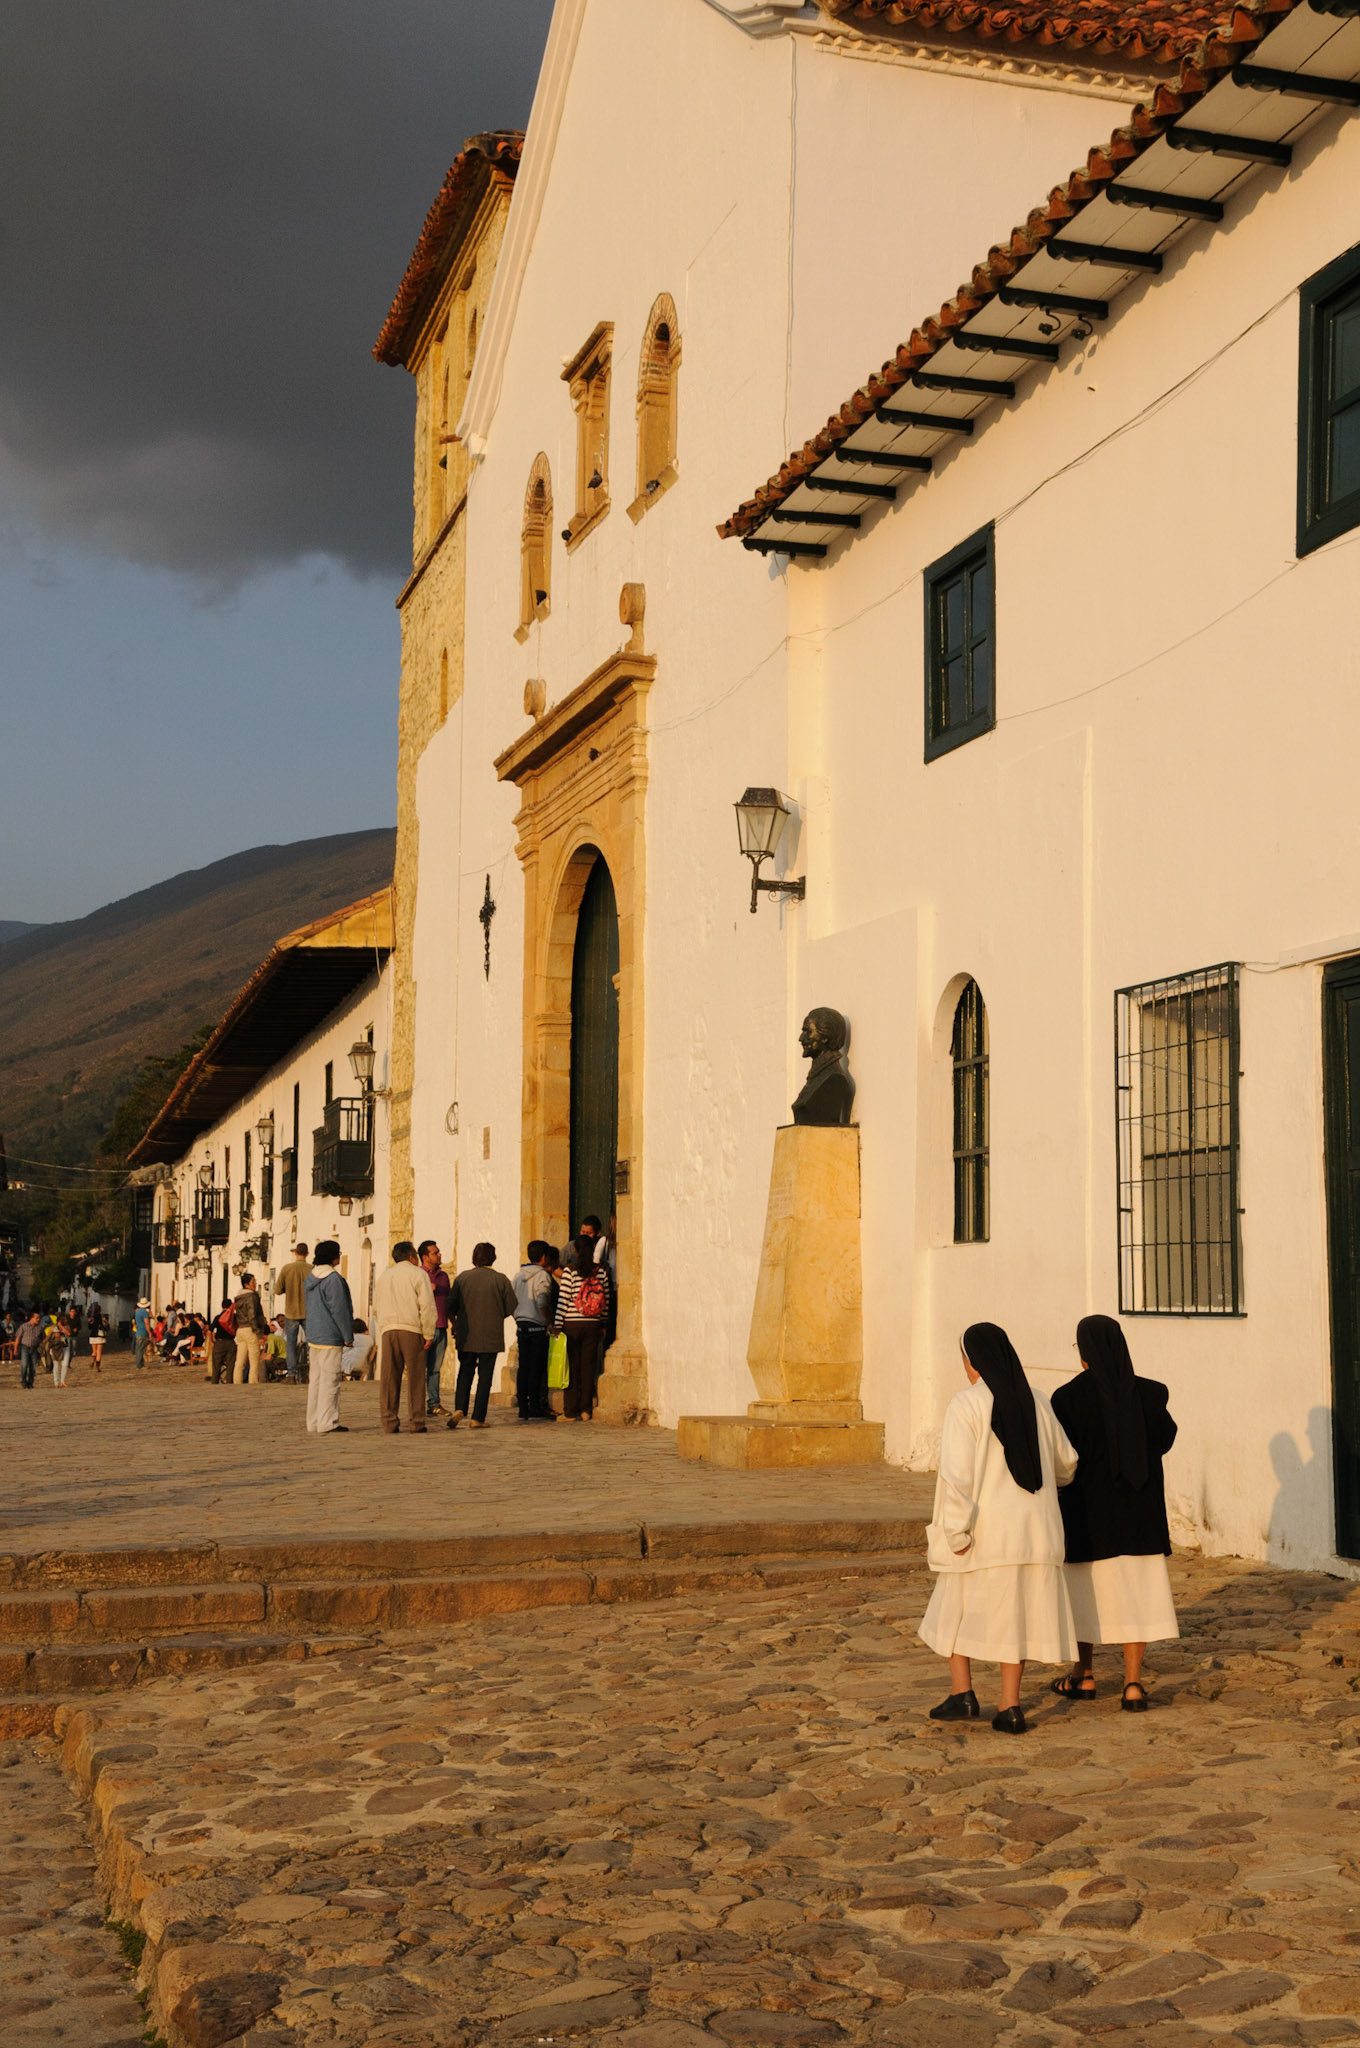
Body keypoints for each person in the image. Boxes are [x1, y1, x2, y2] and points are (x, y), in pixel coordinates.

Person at [920, 1322, 1079, 1735]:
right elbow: (1067, 1464)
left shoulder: (967, 1404)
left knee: (954, 1609)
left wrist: (955, 1532)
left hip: (985, 1533)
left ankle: (963, 1693)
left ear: (973, 1361)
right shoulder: (1039, 1402)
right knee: (1017, 1618)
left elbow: (957, 1477)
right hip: (1035, 1533)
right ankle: (1009, 1705)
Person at [1050, 1315, 1180, 1712]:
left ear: (1084, 1351)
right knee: (1137, 1599)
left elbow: (1063, 1456)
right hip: (1139, 1519)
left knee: (1085, 1596)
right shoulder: (1152, 1393)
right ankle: (1133, 1684)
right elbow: (1165, 1439)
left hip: (1090, 1518)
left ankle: (1083, 1675)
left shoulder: (1067, 1399)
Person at [448, 1244, 518, 1430]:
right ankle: (477, 1417)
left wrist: (456, 1324)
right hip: (490, 1335)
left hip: (467, 1334)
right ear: (492, 1258)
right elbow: (510, 1307)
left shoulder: (462, 1278)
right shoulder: (500, 1280)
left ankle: (459, 1408)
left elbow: (451, 1305)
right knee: (485, 1376)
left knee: (465, 1372)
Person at [373, 1241, 436, 1435]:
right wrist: (428, 1332)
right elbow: (426, 1305)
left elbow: (376, 1307)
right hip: (411, 1328)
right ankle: (417, 1421)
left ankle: (389, 1421)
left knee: (389, 1378)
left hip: (389, 1329)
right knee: (416, 1377)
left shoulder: (384, 1276)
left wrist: (383, 1326)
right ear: (411, 1256)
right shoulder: (418, 1274)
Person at [553, 1237, 612, 1423]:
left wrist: (557, 1324)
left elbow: (563, 1299)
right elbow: (606, 1300)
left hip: (572, 1324)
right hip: (592, 1324)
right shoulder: (600, 1271)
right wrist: (602, 1323)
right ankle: (586, 1410)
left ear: (576, 1251)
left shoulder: (569, 1271)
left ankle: (570, 1411)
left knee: (572, 1368)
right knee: (588, 1368)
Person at [304, 1240, 353, 1435]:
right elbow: (339, 1310)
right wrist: (347, 1335)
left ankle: (314, 1421)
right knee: (330, 1381)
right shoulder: (333, 1279)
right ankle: (328, 1422)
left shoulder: (311, 1278)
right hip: (330, 1336)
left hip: (314, 1334)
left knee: (315, 1381)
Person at [513, 1241, 558, 1422]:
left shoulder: (518, 1276)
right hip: (538, 1326)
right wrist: (550, 1321)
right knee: (537, 1368)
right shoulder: (543, 1276)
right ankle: (535, 1406)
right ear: (544, 1257)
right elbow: (542, 1301)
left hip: (522, 1324)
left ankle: (522, 1406)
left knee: (523, 1366)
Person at [419, 1240, 451, 1417]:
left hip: (441, 1327)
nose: (439, 1255)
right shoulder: (419, 1275)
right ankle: (416, 1404)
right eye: (435, 1253)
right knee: (419, 1368)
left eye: (438, 1252)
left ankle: (434, 1403)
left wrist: (453, 1322)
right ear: (425, 1257)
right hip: (424, 1328)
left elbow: (449, 1301)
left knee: (435, 1369)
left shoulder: (443, 1276)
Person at [274, 1243, 310, 1384]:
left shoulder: (287, 1269)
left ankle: (291, 1374)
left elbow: (277, 1290)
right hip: (308, 1311)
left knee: (291, 1344)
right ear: (307, 1254)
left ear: (295, 1253)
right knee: (312, 1343)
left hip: (291, 1311)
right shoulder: (311, 1269)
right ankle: (312, 1372)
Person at [231, 1273, 270, 1385]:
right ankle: (253, 1382)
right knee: (254, 1360)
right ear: (247, 1284)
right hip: (250, 1330)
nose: (255, 1284)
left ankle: (237, 1382)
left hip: (241, 1329)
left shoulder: (239, 1297)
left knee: (240, 1360)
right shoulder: (251, 1297)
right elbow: (252, 1315)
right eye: (253, 1282)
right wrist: (259, 1333)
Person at [207, 1302, 237, 1384]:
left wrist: (212, 1341)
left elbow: (210, 1331)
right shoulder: (233, 1317)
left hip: (219, 1342)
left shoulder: (218, 1317)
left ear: (222, 1306)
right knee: (230, 1365)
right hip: (231, 1342)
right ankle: (229, 1381)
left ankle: (215, 1381)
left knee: (216, 1364)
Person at [16, 1310, 42, 1389]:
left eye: (39, 1318)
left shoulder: (40, 1328)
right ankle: (23, 1381)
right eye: (37, 1318)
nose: (38, 1319)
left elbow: (43, 1338)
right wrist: (15, 1348)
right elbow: (18, 1337)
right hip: (25, 1347)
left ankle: (30, 1382)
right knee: (24, 1365)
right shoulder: (24, 1326)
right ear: (32, 1318)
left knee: (33, 1366)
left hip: (34, 1349)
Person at [133, 1298, 153, 1369]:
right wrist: (150, 1333)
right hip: (143, 1332)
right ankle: (140, 1365)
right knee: (141, 1349)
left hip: (138, 1332)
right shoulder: (144, 1312)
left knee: (138, 1348)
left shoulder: (137, 1312)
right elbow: (146, 1323)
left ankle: (140, 1364)